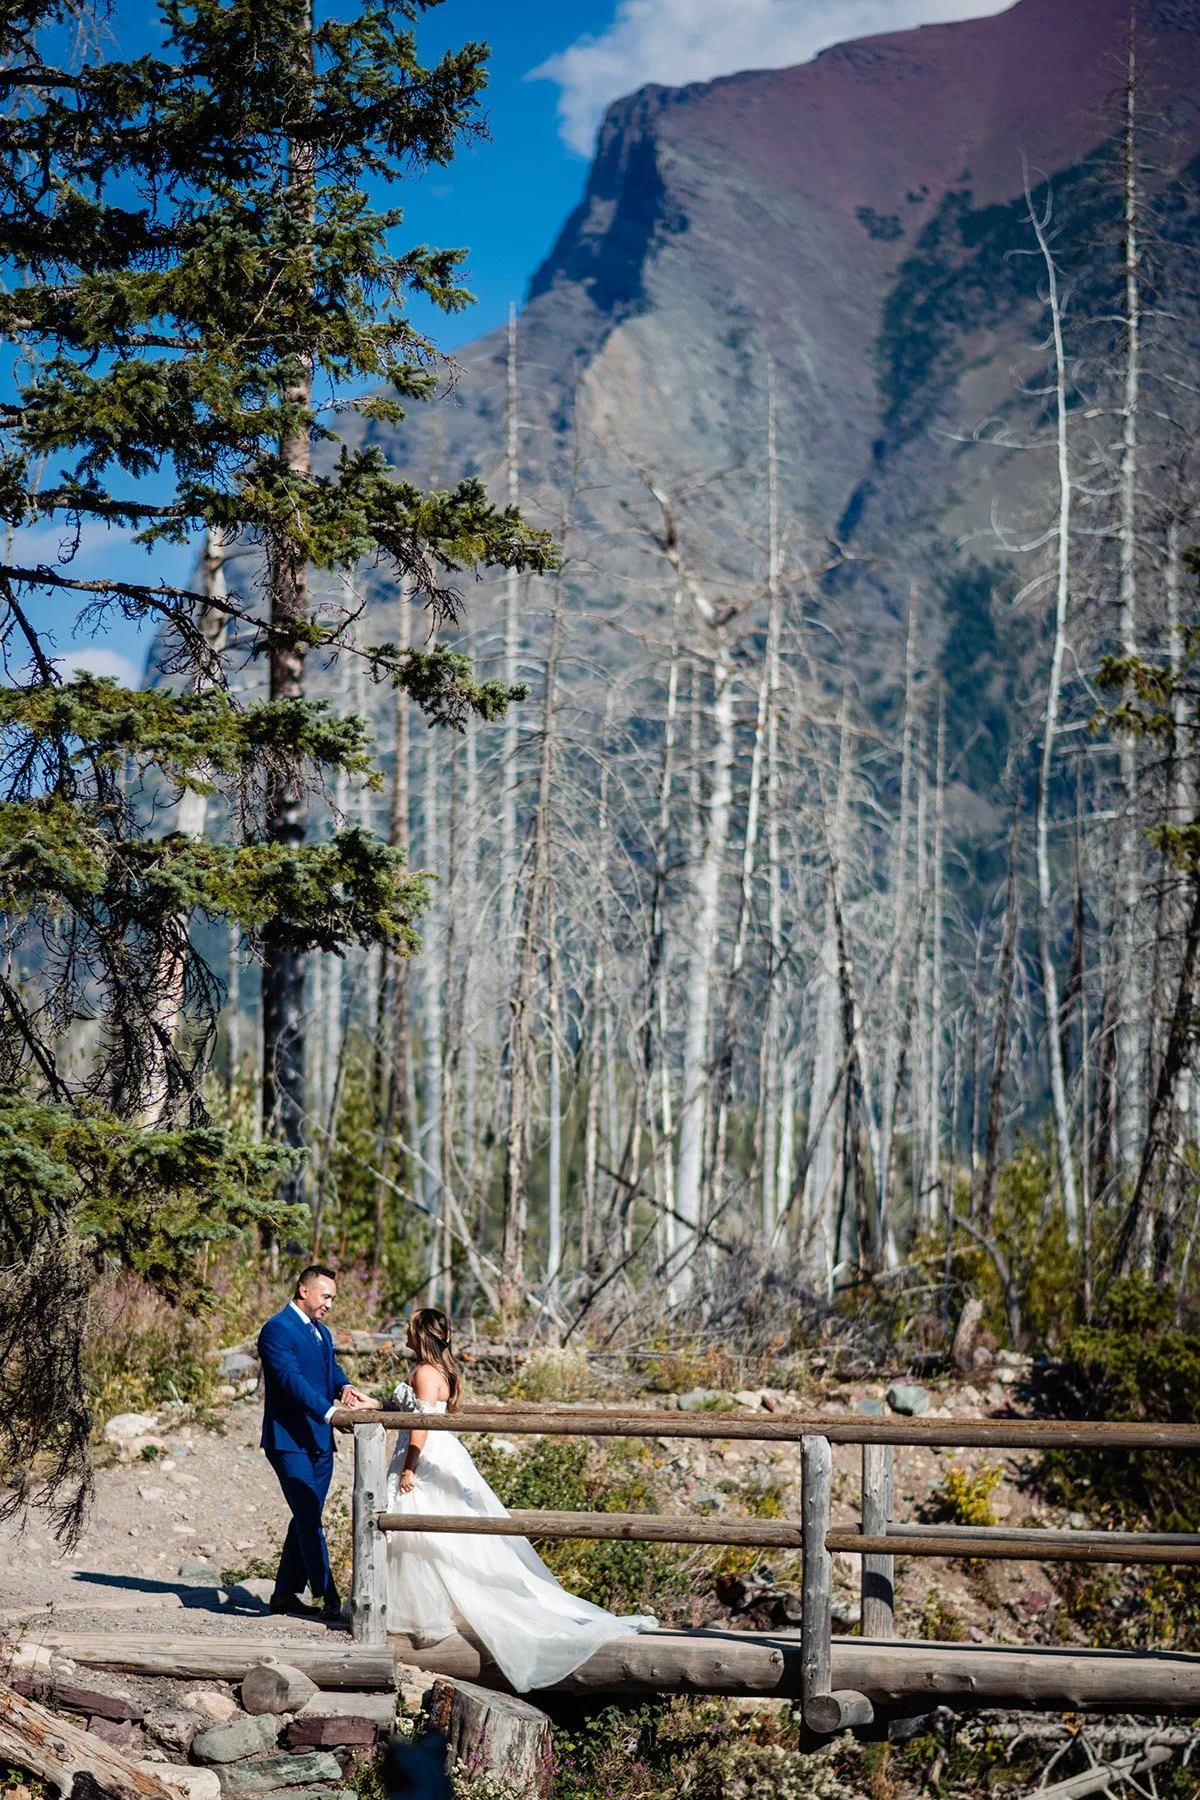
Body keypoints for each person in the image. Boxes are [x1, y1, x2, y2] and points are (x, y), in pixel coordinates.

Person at [386, 1308, 656, 1692]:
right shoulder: (440, 1372)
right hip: (442, 1454)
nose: (405, 1333)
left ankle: (427, 1613)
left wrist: (410, 1468)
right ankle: (439, 1606)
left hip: (427, 1458)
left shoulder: (427, 1373)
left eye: (409, 1328)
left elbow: (422, 1425)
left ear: (420, 1334)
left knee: (425, 1528)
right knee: (439, 1531)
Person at [258, 1264, 373, 1621]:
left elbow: (328, 1371)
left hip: (321, 1443)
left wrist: (345, 1387)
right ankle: (329, 1595)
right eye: (326, 1296)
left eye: (333, 1298)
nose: (330, 1304)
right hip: (289, 1440)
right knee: (309, 1516)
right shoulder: (276, 1330)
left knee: (306, 1516)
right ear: (303, 1290)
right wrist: (329, 1413)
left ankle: (283, 1595)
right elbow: (290, 1379)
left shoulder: (321, 1332)